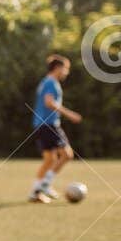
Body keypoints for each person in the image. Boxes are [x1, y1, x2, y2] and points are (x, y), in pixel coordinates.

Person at [28, 53, 81, 203]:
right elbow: (49, 102)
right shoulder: (51, 83)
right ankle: (45, 185)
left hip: (40, 125)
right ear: (57, 68)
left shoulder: (45, 81)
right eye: (66, 69)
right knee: (67, 154)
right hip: (49, 124)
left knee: (49, 160)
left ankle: (35, 193)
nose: (67, 72)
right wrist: (70, 114)